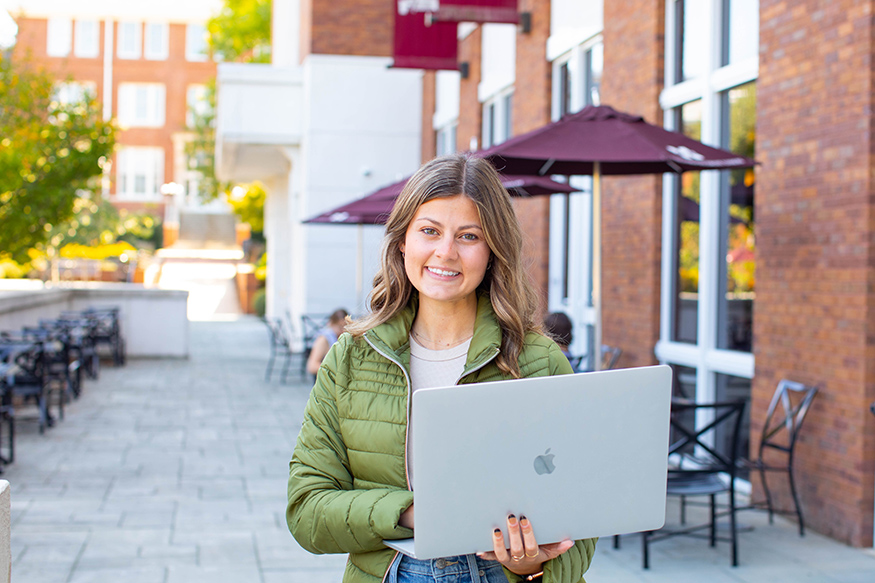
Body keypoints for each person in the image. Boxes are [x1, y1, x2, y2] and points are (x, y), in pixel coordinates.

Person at [287, 153, 597, 583]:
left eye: (469, 236)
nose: (445, 252)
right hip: (391, 572)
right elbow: (307, 511)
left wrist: (531, 566)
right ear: (403, 241)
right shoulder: (351, 358)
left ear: (493, 252)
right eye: (429, 231)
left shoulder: (540, 361)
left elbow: (583, 518)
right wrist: (413, 512)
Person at [305, 308, 350, 375]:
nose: (342, 331)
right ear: (331, 324)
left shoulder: (346, 338)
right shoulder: (324, 338)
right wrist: (334, 370)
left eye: (345, 328)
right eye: (340, 327)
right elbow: (312, 366)